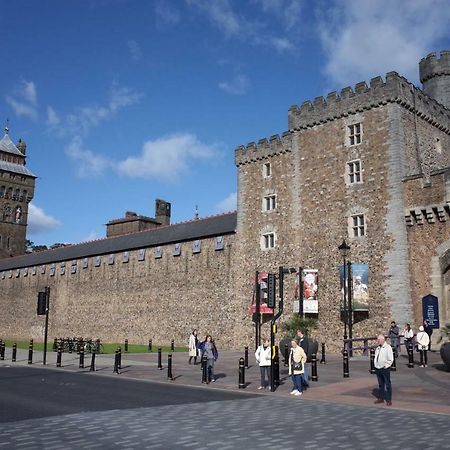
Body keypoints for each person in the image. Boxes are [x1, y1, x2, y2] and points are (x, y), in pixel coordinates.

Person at [374, 334, 394, 406]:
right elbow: (376, 357)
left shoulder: (388, 347)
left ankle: (388, 399)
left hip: (385, 368)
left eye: (378, 340)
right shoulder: (378, 348)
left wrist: (386, 366)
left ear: (382, 340)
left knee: (387, 384)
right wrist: (375, 365)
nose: (377, 341)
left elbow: (390, 359)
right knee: (381, 384)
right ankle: (381, 398)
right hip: (378, 368)